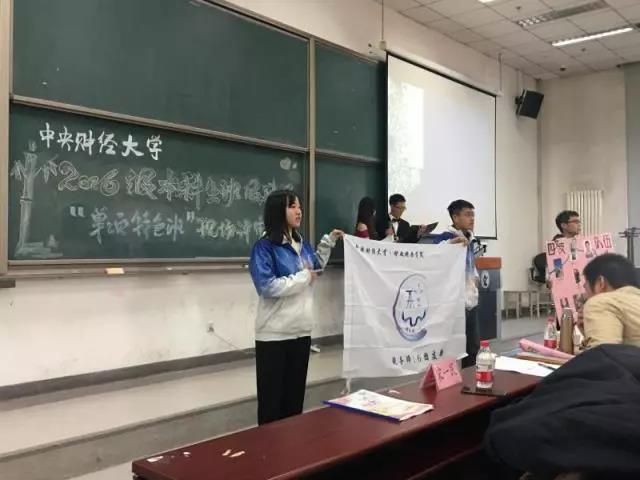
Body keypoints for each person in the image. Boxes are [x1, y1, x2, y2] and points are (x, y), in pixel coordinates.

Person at [249, 190, 343, 425]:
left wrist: (328, 242)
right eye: (292, 206)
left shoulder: (302, 244)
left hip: (301, 331)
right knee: (272, 405)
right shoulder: (264, 247)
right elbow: (267, 287)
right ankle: (269, 446)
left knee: (294, 403)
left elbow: (315, 268)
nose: (299, 211)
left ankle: (292, 446)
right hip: (274, 334)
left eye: (299, 206)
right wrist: (304, 277)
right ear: (277, 211)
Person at [433, 199, 481, 367]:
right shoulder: (446, 237)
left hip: (470, 299)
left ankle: (470, 377)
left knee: (473, 346)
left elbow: (470, 263)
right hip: (454, 301)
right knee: (451, 347)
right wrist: (452, 244)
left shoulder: (469, 238)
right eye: (467, 215)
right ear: (455, 217)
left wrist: (475, 279)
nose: (472, 219)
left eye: (473, 215)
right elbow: (434, 254)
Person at [579, 253, 640, 349]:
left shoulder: (601, 302)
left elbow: (605, 355)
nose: (585, 295)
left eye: (586, 287)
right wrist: (590, 331)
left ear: (601, 282)